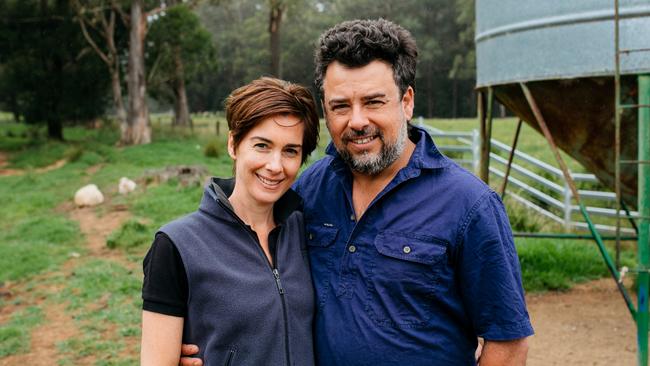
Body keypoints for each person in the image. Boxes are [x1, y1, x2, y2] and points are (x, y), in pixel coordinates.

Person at [181, 18, 533, 365]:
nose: (357, 121)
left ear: (406, 101)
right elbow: (257, 276)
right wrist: (207, 345)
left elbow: (509, 341)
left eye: (374, 102)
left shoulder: (470, 205)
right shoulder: (308, 189)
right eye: (341, 106)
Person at [141, 77, 320, 366]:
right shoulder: (176, 246)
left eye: (290, 151)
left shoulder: (306, 230)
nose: (275, 166)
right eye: (262, 145)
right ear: (233, 145)